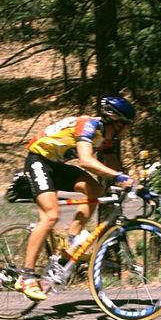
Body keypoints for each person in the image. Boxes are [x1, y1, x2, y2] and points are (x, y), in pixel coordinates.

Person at [17, 95, 136, 301]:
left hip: (56, 165)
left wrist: (134, 184)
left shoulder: (106, 138)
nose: (127, 131)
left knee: (95, 190)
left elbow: (113, 167)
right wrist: (118, 176)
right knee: (51, 215)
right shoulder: (88, 126)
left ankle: (71, 241)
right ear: (115, 121)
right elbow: (86, 161)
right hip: (38, 160)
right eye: (126, 125)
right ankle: (25, 277)